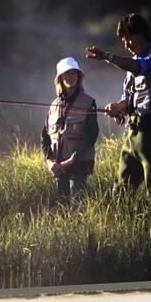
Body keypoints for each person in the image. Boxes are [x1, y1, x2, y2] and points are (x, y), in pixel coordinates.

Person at [86, 13, 151, 192]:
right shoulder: (133, 62)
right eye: (123, 40)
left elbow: (140, 68)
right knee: (122, 189)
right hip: (134, 133)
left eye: (129, 39)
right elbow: (129, 98)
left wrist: (107, 56)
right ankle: (121, 219)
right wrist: (118, 107)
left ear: (142, 33)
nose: (126, 44)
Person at [41, 57, 99, 202]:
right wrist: (49, 162)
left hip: (79, 165)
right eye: (67, 73)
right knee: (62, 207)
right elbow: (44, 137)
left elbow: (90, 136)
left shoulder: (89, 102)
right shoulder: (54, 105)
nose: (71, 76)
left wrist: (71, 160)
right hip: (58, 166)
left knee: (77, 206)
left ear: (79, 77)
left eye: (74, 73)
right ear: (60, 78)